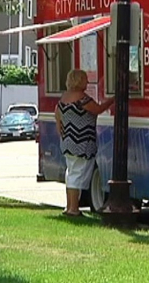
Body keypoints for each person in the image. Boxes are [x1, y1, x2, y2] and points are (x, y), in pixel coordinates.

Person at [54, 69, 114, 216]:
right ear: (79, 81)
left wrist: (62, 130)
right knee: (78, 175)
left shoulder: (63, 99)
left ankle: (69, 207)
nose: (87, 82)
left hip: (68, 142)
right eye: (85, 79)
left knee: (71, 173)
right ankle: (74, 209)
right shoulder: (82, 98)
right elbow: (97, 109)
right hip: (82, 143)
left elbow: (57, 116)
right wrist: (113, 99)